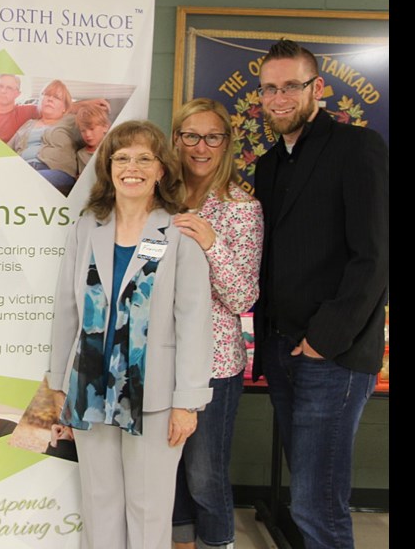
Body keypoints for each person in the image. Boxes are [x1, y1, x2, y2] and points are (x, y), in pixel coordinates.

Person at [49, 120, 214, 549]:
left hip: (156, 396)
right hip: (90, 386)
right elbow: (67, 310)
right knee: (98, 501)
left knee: (148, 508)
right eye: (121, 158)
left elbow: (195, 320)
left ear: (161, 170)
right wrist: (56, 385)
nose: (132, 167)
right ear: (108, 167)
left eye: (144, 158)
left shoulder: (180, 231)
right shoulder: (88, 226)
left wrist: (188, 401)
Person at [252, 39, 389, 549]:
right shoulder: (268, 165)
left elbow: (374, 256)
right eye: (270, 87)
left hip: (332, 355)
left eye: (292, 85)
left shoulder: (358, 147)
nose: (279, 96)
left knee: (317, 502)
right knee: (307, 493)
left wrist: (323, 340)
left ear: (317, 89)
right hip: (283, 350)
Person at [169, 98, 263, 549]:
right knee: (167, 474)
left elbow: (243, 296)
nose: (200, 146)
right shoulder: (158, 198)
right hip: (159, 358)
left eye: (212, 136)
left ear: (226, 143)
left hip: (214, 362)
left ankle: (217, 543)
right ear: (176, 139)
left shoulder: (241, 208)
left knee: (205, 477)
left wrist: (211, 243)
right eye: (191, 135)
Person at [8, 79, 80, 194]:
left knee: (26, 183)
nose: (50, 99)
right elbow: (7, 151)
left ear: (65, 108)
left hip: (56, 172)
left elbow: (93, 132)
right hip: (23, 171)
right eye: (46, 95)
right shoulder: (28, 124)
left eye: (56, 97)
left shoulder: (72, 121)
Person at [0, 73, 38, 142]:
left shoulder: (27, 111)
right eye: (0, 86)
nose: (3, 91)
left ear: (17, 94)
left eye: (9, 88)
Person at [71, 102, 112, 175]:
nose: (87, 134)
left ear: (105, 127)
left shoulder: (112, 148)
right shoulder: (81, 154)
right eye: (83, 130)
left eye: (92, 129)